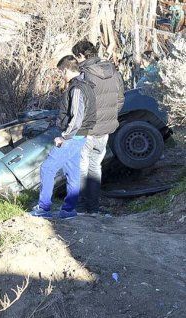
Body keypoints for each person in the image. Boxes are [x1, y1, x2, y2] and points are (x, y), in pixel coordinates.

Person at [30, 55, 96, 219]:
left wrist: (64, 137)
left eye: (61, 72)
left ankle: (43, 208)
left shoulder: (77, 89)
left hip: (73, 137)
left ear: (66, 69)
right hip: (80, 136)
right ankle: (68, 210)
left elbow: (77, 118)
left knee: (47, 168)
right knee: (72, 172)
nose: (61, 76)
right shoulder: (86, 85)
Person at [72, 39, 124, 215]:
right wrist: (108, 118)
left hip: (86, 130)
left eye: (76, 57)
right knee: (95, 167)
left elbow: (78, 106)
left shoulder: (83, 75)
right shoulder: (113, 71)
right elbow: (120, 100)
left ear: (81, 55)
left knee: (80, 166)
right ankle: (93, 207)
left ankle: (80, 207)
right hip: (105, 130)